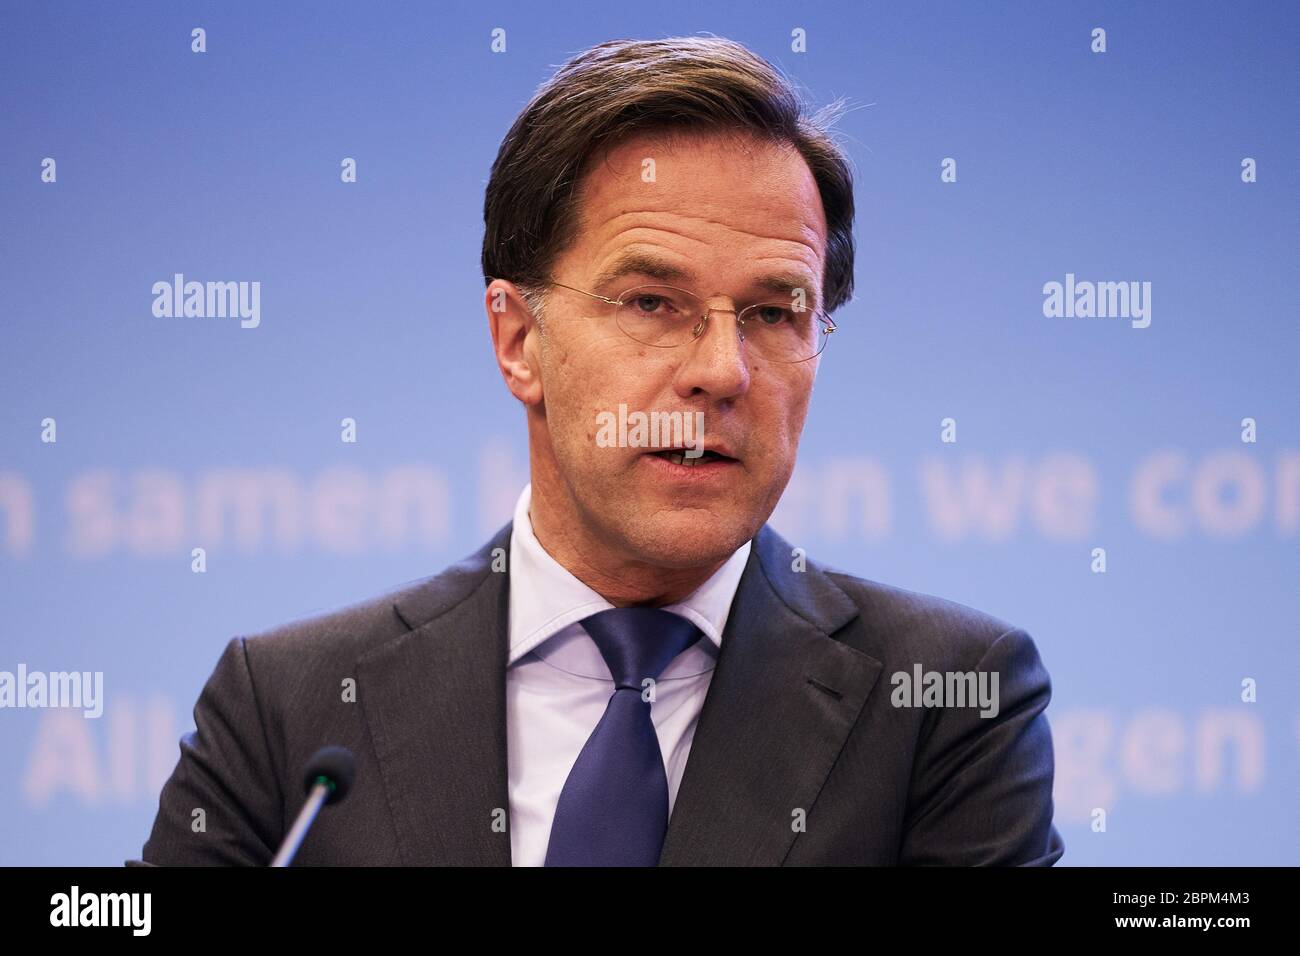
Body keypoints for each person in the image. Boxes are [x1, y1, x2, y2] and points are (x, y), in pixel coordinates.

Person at [137, 36, 1063, 866]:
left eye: (776, 313)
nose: (721, 372)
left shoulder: (945, 701)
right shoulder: (290, 708)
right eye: (651, 303)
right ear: (518, 340)